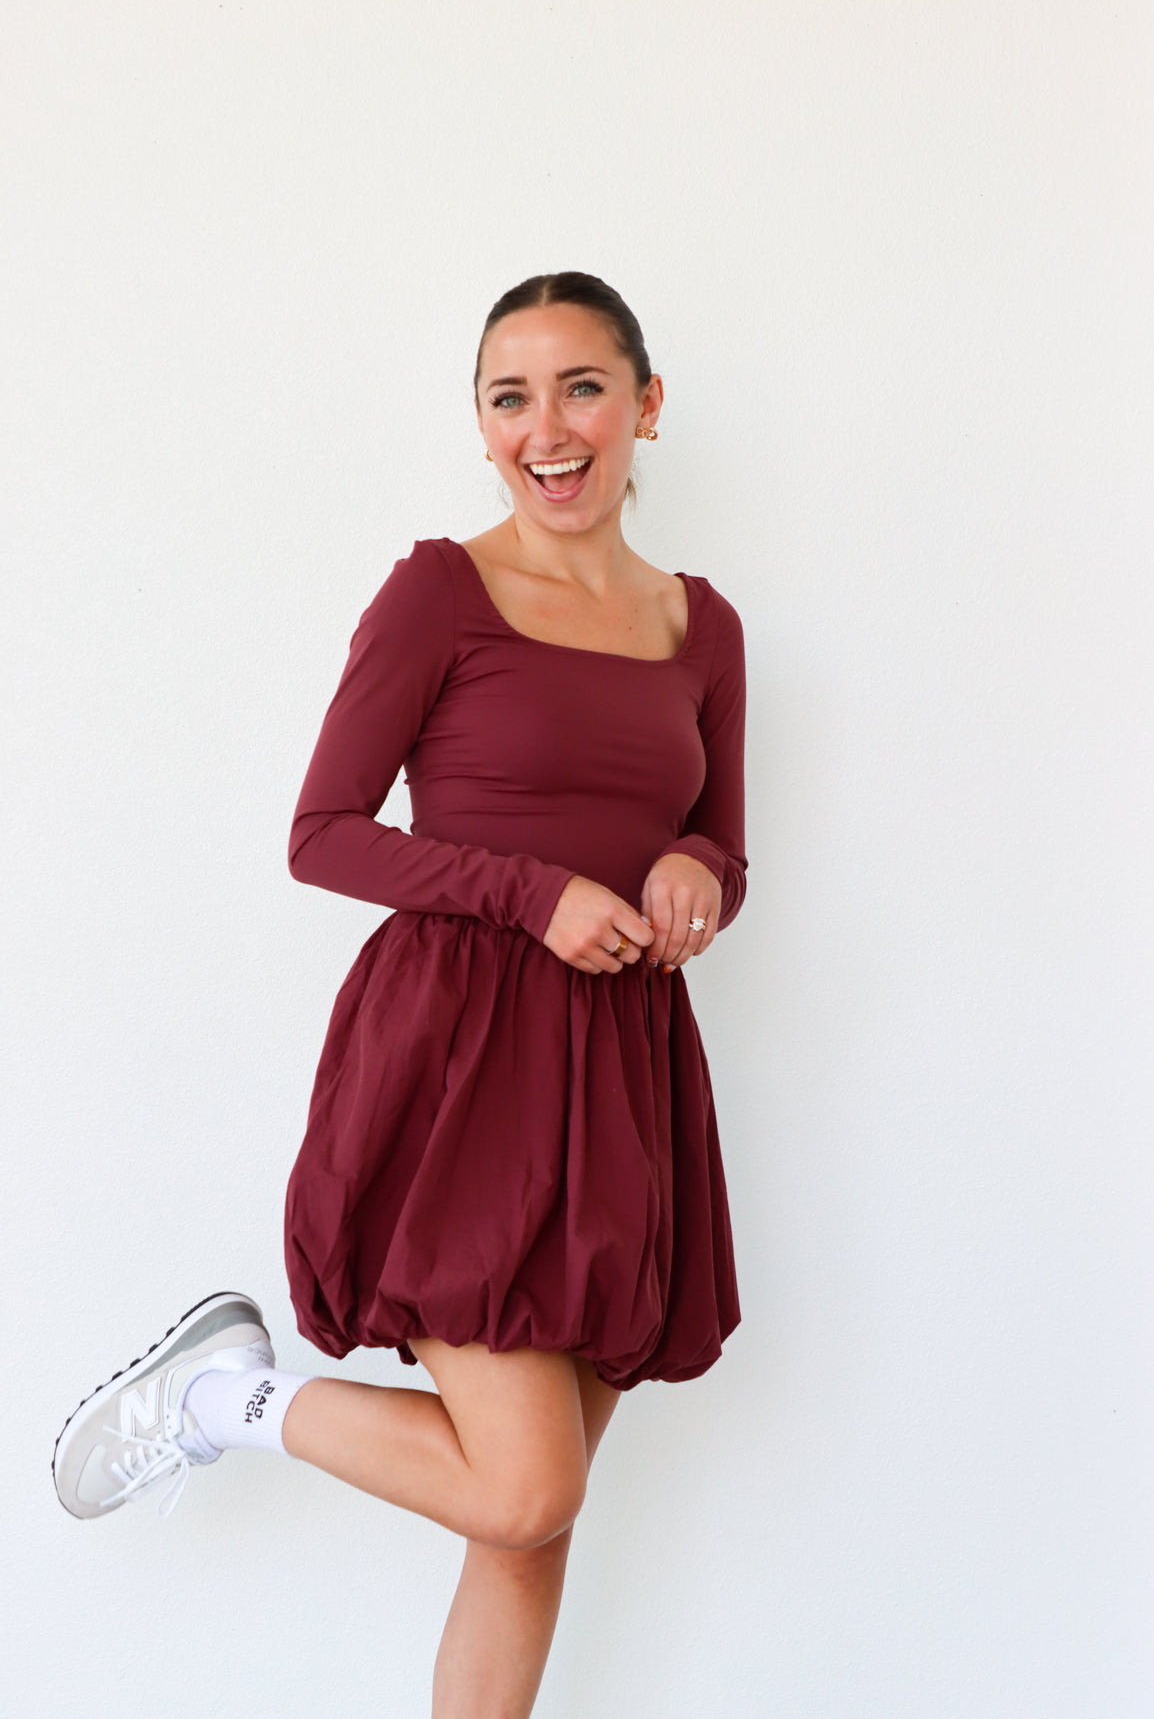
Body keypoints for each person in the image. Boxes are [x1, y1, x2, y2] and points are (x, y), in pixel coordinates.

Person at [52, 270, 749, 1718]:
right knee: (520, 1484)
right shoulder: (442, 588)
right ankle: (217, 1400)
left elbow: (722, 841)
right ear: (482, 426)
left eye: (580, 390)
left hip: (620, 1072)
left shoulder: (703, 627)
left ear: (646, 406)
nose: (546, 430)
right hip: (463, 1061)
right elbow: (323, 834)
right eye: (510, 398)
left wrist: (693, 873)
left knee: (531, 1523)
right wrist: (530, 892)